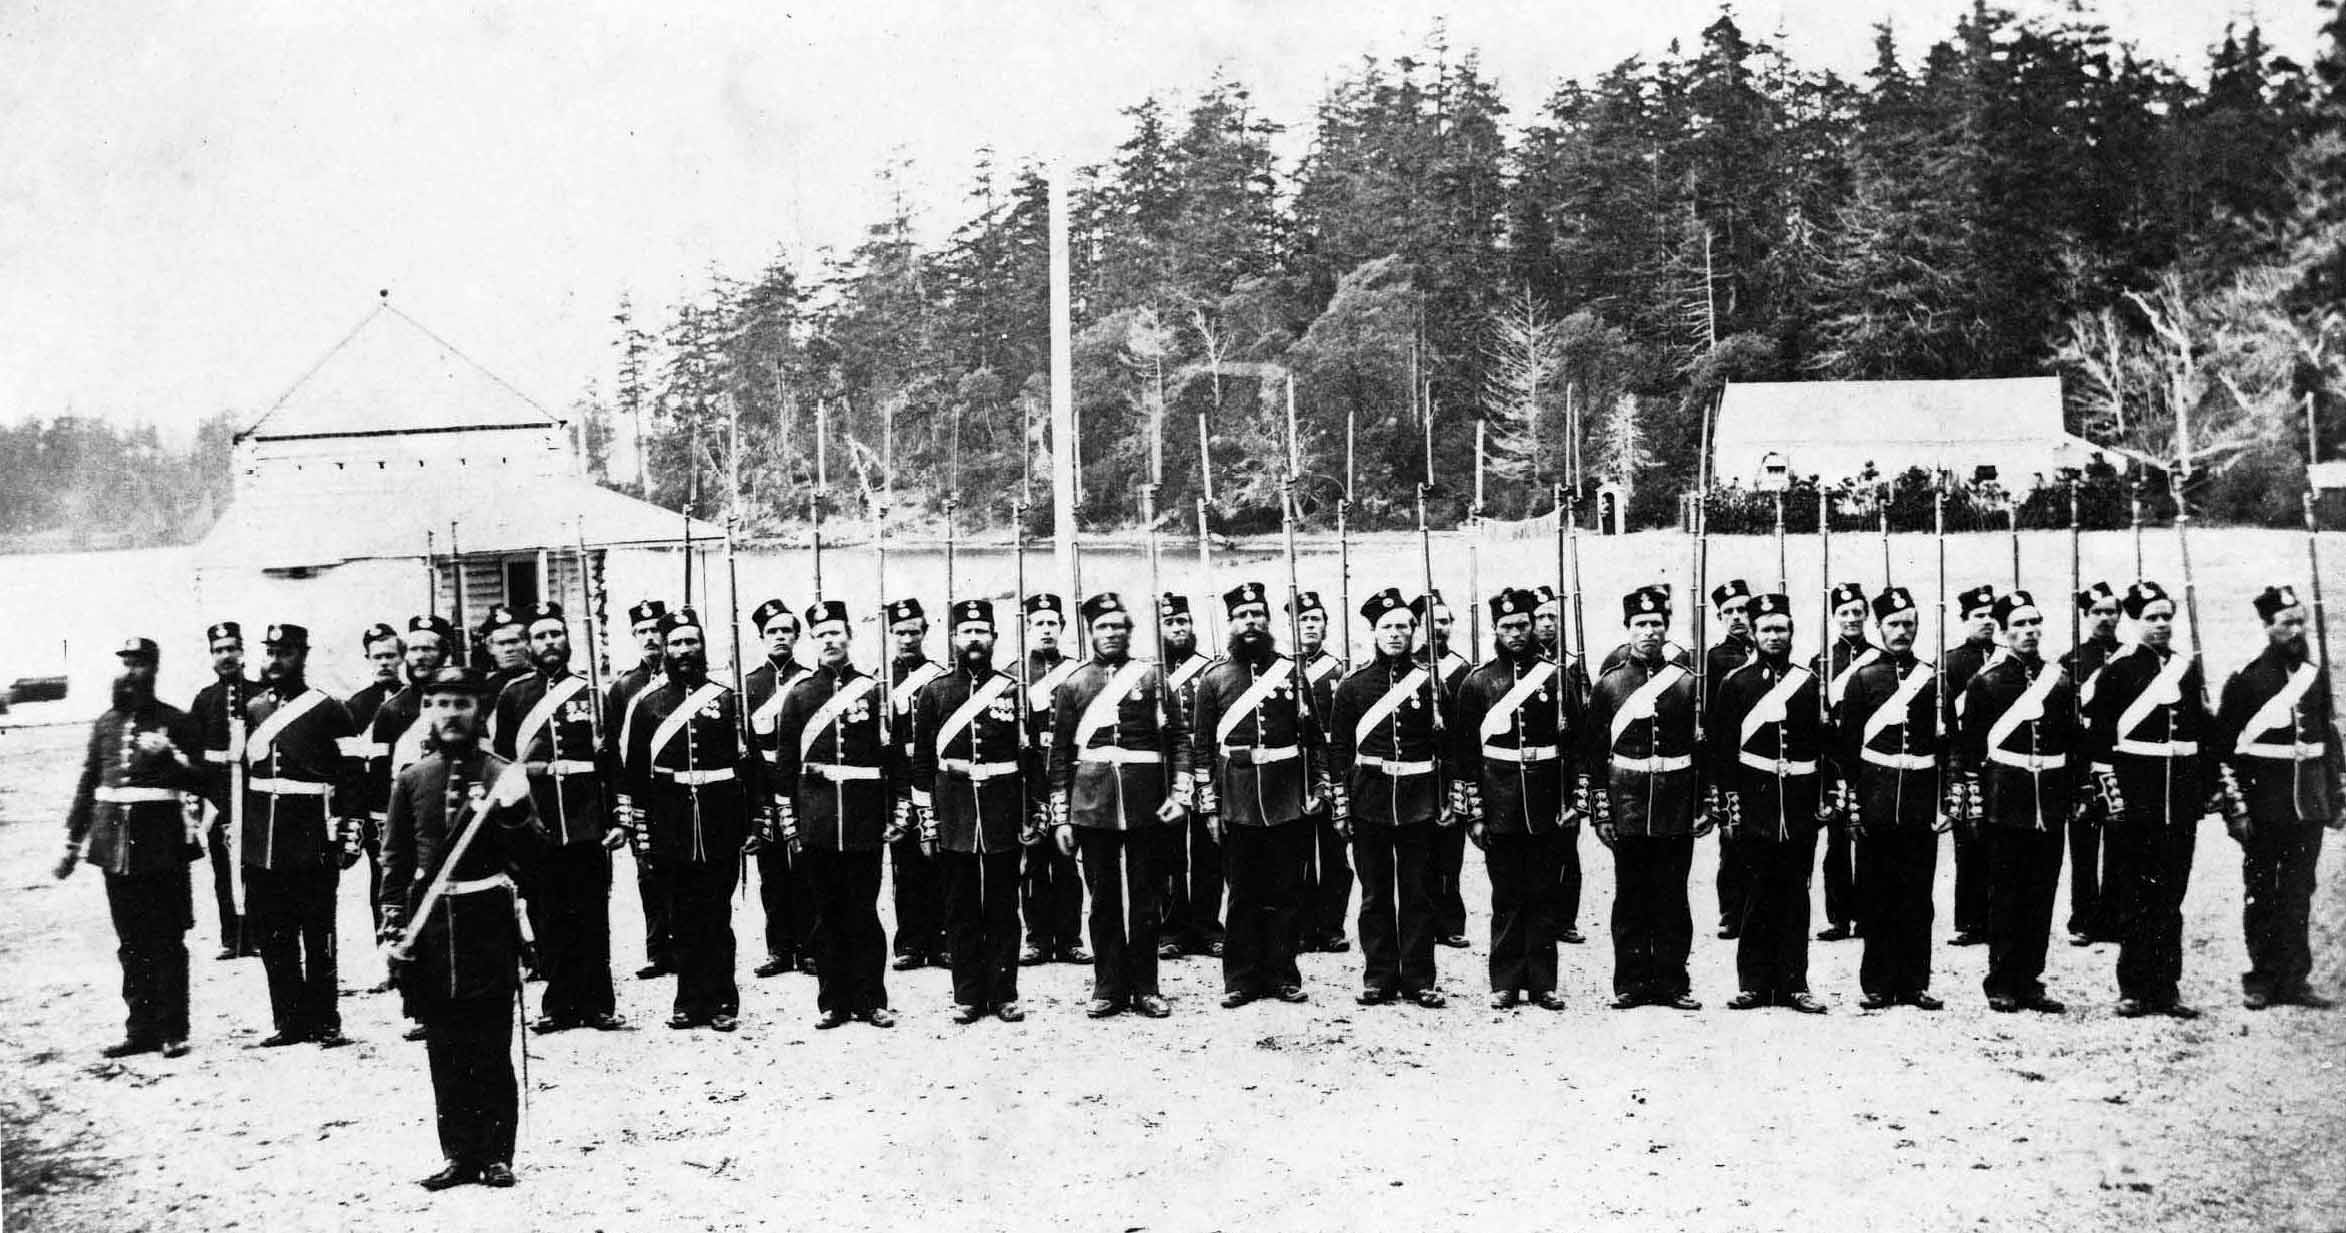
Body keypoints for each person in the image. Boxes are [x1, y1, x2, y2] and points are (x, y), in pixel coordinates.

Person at [377, 666, 541, 1191]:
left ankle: (496, 1154)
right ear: (429, 709)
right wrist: (393, 929)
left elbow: (535, 858)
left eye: (462, 703)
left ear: (480, 712)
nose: (451, 713)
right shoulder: (411, 778)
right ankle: (458, 1154)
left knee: (490, 1047)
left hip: (487, 925)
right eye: (441, 702)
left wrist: (514, 812)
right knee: (444, 1050)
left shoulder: (501, 776)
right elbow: (395, 862)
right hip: (430, 933)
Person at [57, 637, 205, 1058]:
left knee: (167, 940)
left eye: (138, 664)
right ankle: (140, 1029)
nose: (129, 672)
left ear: (154, 669)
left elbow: (202, 779)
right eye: (124, 663)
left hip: (163, 846)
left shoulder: (177, 721)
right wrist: (72, 840)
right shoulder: (104, 724)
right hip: (113, 849)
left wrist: (171, 758)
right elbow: (89, 784)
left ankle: (174, 1030)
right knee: (130, 942)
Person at [1047, 593, 1192, 1019]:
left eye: (1118, 626)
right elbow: (1059, 756)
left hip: (1147, 803)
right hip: (1092, 806)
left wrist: (1179, 794)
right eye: (1102, 627)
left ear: (1129, 631)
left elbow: (1179, 740)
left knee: (1147, 898)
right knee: (1104, 899)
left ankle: (1147, 985)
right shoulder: (1074, 684)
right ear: (1090, 633)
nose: (1110, 633)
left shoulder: (1151, 678)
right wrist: (1062, 816)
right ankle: (1108, 985)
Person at [618, 609, 760, 1032]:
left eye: (691, 642)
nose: (684, 651)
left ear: (702, 646)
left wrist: (753, 824)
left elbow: (748, 770)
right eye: (676, 643)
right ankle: (688, 1000)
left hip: (719, 821)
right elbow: (634, 773)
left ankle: (722, 1002)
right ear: (664, 648)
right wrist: (640, 831)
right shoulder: (645, 705)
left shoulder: (726, 699)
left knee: (717, 916)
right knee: (681, 917)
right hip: (670, 822)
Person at [492, 602, 623, 1033]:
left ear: (567, 640)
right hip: (539, 820)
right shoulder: (514, 696)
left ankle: (599, 1004)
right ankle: (559, 1004)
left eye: (556, 634)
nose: (550, 643)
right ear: (529, 646)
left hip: (586, 820)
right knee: (548, 916)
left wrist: (616, 818)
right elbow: (505, 763)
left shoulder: (591, 693)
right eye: (541, 636)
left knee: (591, 915)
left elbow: (611, 764)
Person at [2212, 583, 2343, 1010]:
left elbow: (2328, 739)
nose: (2297, 630)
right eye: (2287, 623)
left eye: (2301, 621)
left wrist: (2336, 798)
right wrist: (2236, 809)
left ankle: (2295, 978)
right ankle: (2262, 977)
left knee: (2299, 890)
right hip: (2264, 806)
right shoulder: (2247, 680)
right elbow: (2223, 749)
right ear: (2268, 628)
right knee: (2264, 890)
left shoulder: (2313, 676)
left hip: (2307, 804)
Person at [1190, 583, 1321, 1008]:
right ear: (1230, 624)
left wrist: (1317, 786)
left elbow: (1314, 740)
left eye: (1257, 614)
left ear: (1268, 621)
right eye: (1242, 615)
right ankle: (1241, 979)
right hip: (1237, 799)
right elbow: (1202, 748)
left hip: (1286, 798)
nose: (1250, 622)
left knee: (1286, 891)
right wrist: (1209, 805)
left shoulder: (1291, 673)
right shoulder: (1214, 680)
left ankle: (1283, 975)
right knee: (1243, 892)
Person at [768, 600, 897, 1030]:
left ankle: (871, 999)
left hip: (863, 822)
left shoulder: (874, 690)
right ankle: (832, 1002)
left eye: (836, 632)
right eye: (821, 634)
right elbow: (785, 765)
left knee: (865, 913)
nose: (829, 640)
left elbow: (891, 760)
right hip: (818, 822)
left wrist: (895, 812)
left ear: (849, 637)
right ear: (813, 641)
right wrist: (789, 819)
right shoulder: (800, 694)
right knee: (826, 916)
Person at [2083, 581, 2209, 1018]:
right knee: (2137, 896)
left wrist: (2202, 791)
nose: (2161, 624)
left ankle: (2166, 988)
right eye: (2151, 617)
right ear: (2135, 622)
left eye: (2166, 616)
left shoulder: (2186, 669)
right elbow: (2100, 745)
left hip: (2179, 801)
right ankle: (2134, 987)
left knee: (2171, 898)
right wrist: (2113, 801)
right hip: (2137, 800)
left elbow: (2200, 736)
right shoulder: (2118, 671)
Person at [1582, 586, 1711, 1011]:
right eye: (1641, 624)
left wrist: (1704, 805)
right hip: (1629, 804)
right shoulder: (1610, 684)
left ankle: (1673, 982)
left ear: (1666, 628)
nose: (1649, 632)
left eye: (1656, 624)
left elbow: (1705, 754)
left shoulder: (1690, 683)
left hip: (1676, 802)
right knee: (1631, 897)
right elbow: (1595, 754)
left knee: (1673, 896)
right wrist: (1601, 810)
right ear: (1628, 629)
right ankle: (1631, 983)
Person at [910, 599, 1038, 1024]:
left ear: (995, 638)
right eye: (967, 632)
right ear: (953, 639)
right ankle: (966, 994)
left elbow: (1030, 759)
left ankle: (1004, 993)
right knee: (960, 906)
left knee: (1003, 905)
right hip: (954, 811)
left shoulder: (1012, 688)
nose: (975, 639)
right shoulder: (935, 691)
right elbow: (923, 763)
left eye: (982, 631)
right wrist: (928, 821)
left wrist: (1032, 813)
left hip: (1001, 810)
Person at [1449, 588, 1576, 1011]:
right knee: (1506, 896)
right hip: (1498, 803)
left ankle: (1543, 983)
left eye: (1523, 625)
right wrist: (1475, 813)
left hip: (1545, 805)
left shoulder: (1557, 678)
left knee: (1543, 894)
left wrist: (1572, 801)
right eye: (1507, 627)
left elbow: (1576, 745)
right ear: (1495, 631)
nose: (1517, 633)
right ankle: (1504, 982)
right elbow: (1465, 754)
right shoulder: (1478, 682)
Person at [241, 623, 364, 1047]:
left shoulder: (330, 709)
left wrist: (351, 831)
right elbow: (243, 778)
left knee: (318, 935)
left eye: (286, 653)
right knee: (274, 937)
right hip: (264, 844)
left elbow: (352, 776)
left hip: (311, 840)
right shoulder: (254, 708)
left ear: (303, 656)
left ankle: (326, 1020)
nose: (276, 661)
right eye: (271, 652)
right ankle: (290, 1022)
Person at [1326, 588, 1448, 1009]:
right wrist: (1341, 804)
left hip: (1418, 802)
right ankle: (1378, 976)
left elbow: (1448, 748)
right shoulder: (1353, 686)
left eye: (1403, 626)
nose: (1395, 634)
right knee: (1375, 894)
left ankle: (1419, 978)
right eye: (1387, 627)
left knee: (1418, 893)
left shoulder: (1431, 684)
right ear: (1373, 633)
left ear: (1415, 632)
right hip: (1369, 801)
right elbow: (1339, 750)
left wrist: (1446, 798)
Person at [1955, 591, 2076, 1014]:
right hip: (2005, 801)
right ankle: (2002, 980)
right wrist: (1972, 801)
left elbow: (2070, 744)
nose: (2029, 631)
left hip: (2051, 802)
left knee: (2042, 893)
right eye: (2020, 625)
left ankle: (2031, 980)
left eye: (2034, 622)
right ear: (2004, 633)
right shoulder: (1985, 683)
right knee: (2006, 893)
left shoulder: (2060, 681)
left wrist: (2073, 796)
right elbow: (1969, 751)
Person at [1708, 594, 1828, 1013]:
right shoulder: (1736, 683)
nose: (1775, 636)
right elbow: (1723, 752)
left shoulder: (1809, 682)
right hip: (1756, 803)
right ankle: (1754, 984)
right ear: (1755, 635)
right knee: (1756, 893)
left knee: (1796, 895)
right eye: (1767, 630)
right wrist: (1729, 804)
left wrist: (1823, 798)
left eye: (1782, 629)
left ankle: (1795, 984)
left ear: (1792, 633)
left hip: (1797, 805)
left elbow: (1822, 746)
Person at [1835, 587, 1948, 1011]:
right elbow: (1848, 749)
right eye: (1894, 624)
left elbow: (1948, 747)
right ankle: (1878, 984)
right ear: (1879, 628)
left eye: (1909, 624)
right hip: (1877, 801)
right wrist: (1853, 803)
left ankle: (1915, 982)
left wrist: (1945, 801)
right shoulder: (1864, 679)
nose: (1903, 631)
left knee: (1918, 898)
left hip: (1919, 802)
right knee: (1877, 896)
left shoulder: (1933, 678)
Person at [742, 599, 815, 978]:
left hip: (801, 788)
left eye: (787, 630)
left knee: (805, 868)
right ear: (761, 637)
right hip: (763, 787)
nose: (780, 637)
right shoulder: (747, 686)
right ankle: (778, 949)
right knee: (771, 873)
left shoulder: (810, 680)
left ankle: (810, 947)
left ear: (798, 636)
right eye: (772, 631)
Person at [604, 599, 676, 980]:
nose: (651, 638)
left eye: (656, 631)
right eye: (642, 632)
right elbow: (615, 752)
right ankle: (657, 951)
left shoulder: (683, 680)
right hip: (643, 795)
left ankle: (684, 946)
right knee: (648, 872)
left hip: (676, 793)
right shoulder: (623, 688)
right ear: (634, 637)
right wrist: (624, 805)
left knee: (682, 871)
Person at [1019, 594, 1087, 966]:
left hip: (1068, 777)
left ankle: (1071, 938)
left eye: (1051, 623)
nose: (1045, 630)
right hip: (1031, 778)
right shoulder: (1015, 675)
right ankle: (1036, 938)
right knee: (1032, 863)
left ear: (1061, 628)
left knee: (1066, 860)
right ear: (1028, 629)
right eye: (1038, 624)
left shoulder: (1076, 673)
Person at [882, 599, 948, 971]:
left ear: (925, 633)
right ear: (890, 635)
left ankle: (941, 941)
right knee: (904, 866)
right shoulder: (879, 680)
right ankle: (909, 942)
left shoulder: (938, 678)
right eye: (899, 632)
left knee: (937, 862)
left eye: (913, 632)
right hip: (896, 780)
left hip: (931, 778)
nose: (907, 639)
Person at [1156, 593, 1223, 959]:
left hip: (1206, 769)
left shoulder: (1210, 669)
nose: (1179, 628)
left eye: (1184, 621)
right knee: (1168, 853)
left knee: (1209, 850)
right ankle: (1171, 927)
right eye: (1170, 623)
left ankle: (1208, 925)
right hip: (1166, 773)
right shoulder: (1151, 674)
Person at [190, 620, 260, 960]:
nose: (226, 656)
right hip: (218, 798)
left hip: (255, 795)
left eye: (231, 649)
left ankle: (259, 935)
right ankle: (231, 938)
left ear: (242, 652)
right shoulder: (204, 700)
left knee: (257, 868)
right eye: (219, 651)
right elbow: (194, 755)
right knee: (222, 869)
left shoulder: (261, 695)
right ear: (211, 657)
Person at [1811, 582, 1877, 943]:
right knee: (1836, 842)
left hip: (1869, 760)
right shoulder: (1821, 661)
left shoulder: (1880, 659)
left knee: (1867, 840)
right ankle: (1839, 917)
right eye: (1844, 613)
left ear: (1866, 614)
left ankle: (1868, 915)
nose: (1851, 619)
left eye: (1857, 612)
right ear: (1834, 618)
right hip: (1834, 761)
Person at [1289, 591, 1354, 953]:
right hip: (1298, 770)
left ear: (1326, 626)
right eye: (1303, 620)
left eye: (1316, 619)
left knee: (1334, 854)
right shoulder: (1282, 671)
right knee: (1296, 853)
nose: (1310, 626)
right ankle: (1301, 925)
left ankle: (1331, 926)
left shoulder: (1340, 671)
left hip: (1335, 767)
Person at [2062, 582, 2125, 947]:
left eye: (2111, 611)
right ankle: (2083, 918)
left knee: (2120, 843)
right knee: (2083, 847)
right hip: (2084, 763)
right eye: (2098, 612)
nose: (2105, 618)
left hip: (2118, 761)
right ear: (2085, 617)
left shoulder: (2132, 657)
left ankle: (2114, 916)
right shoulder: (2072, 660)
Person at [1413, 591, 1474, 951]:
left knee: (1451, 852)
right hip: (1419, 772)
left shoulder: (1464, 670)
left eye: (1444, 621)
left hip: (1452, 768)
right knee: (1419, 854)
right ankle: (1422, 922)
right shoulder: (1409, 670)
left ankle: (1451, 922)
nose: (1439, 628)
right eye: (1431, 620)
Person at [1943, 583, 2002, 947]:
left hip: (1998, 762)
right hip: (1965, 761)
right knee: (1968, 843)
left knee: (2001, 844)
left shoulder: (2008, 658)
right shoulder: (1951, 662)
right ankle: (1969, 921)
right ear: (1964, 619)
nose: (1987, 622)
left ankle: (1999, 918)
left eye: (1991, 615)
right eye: (1979, 616)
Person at [1533, 585, 1590, 946]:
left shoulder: (1572, 661)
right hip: (1536, 769)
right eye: (1539, 618)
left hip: (1565, 766)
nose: (1547, 624)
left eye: (1553, 616)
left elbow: (1587, 723)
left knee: (1567, 848)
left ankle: (1565, 918)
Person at [344, 623, 405, 934]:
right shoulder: (356, 706)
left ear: (401, 658)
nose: (384, 662)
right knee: (382, 879)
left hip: (411, 802)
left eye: (390, 656)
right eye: (377, 656)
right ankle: (385, 949)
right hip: (377, 809)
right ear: (368, 659)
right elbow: (352, 766)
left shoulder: (413, 699)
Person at [1707, 579, 1757, 941]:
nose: (1737, 617)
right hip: (1733, 757)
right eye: (1729, 613)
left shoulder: (1769, 648)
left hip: (1766, 760)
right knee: (1732, 839)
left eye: (1743, 609)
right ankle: (1731, 911)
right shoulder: (1714, 658)